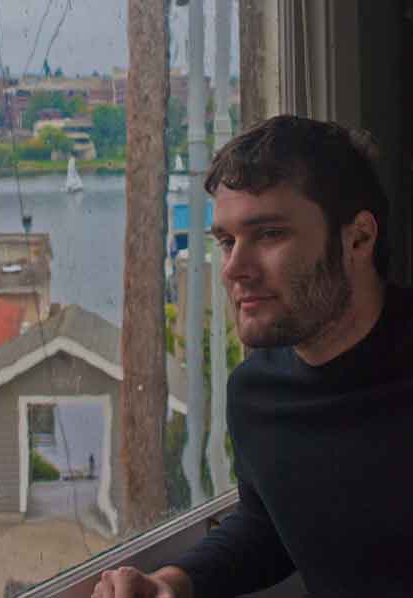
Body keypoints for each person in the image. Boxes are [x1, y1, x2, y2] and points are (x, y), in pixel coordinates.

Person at [91, 115, 413, 598]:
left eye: (269, 234)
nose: (234, 268)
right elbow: (269, 525)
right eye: (226, 241)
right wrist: (170, 583)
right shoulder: (256, 393)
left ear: (358, 238)